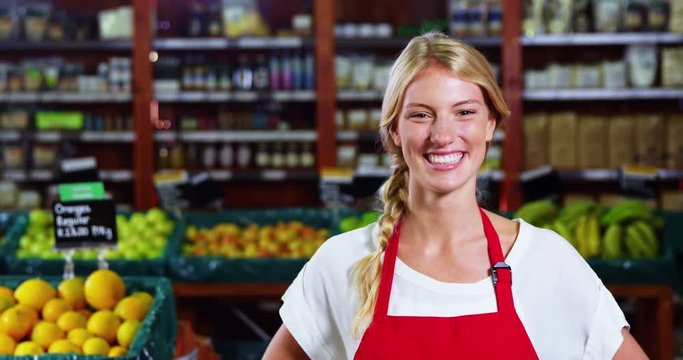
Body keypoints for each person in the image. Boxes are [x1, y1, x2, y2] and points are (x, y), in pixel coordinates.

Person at [263, 32, 647, 359]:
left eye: (464, 112)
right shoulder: (344, 263)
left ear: (489, 125)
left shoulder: (546, 262)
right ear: (395, 131)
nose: (442, 135)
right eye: (420, 115)